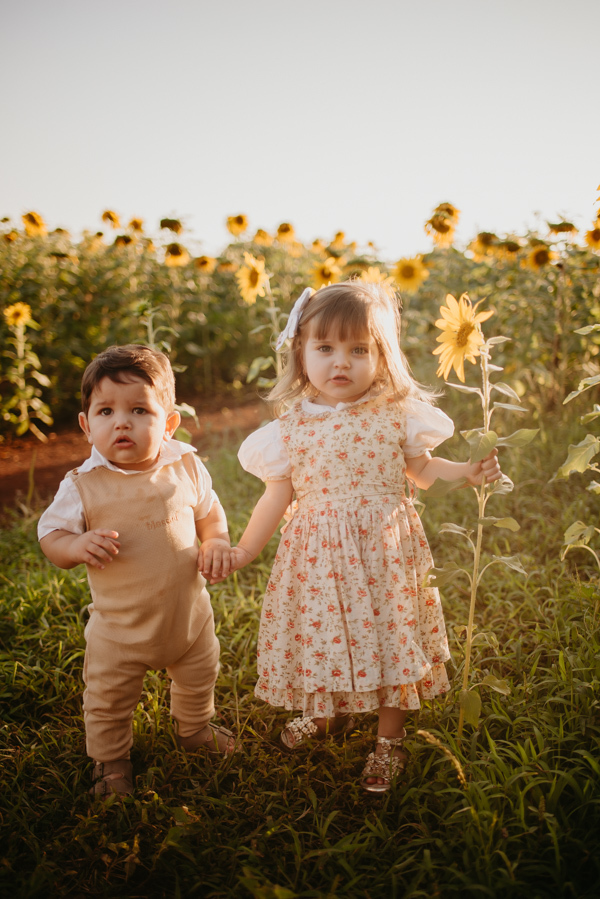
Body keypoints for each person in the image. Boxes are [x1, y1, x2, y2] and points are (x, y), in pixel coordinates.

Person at [227, 281, 501, 793]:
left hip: (385, 552)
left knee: (390, 633)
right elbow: (275, 497)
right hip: (319, 558)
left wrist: (467, 472)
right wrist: (244, 549)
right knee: (327, 632)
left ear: (381, 355)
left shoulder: (395, 413)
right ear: (301, 353)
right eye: (325, 348)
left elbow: (423, 471)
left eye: (359, 350)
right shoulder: (289, 429)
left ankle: (389, 738)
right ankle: (327, 713)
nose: (341, 362)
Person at [38, 344, 236, 797]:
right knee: (107, 699)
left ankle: (194, 730)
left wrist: (216, 541)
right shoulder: (83, 486)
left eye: (139, 410)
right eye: (106, 411)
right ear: (87, 425)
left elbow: (209, 512)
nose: (121, 422)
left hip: (188, 618)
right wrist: (75, 545)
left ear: (168, 424)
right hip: (119, 632)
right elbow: (50, 537)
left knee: (199, 676)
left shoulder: (185, 465)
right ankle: (111, 760)